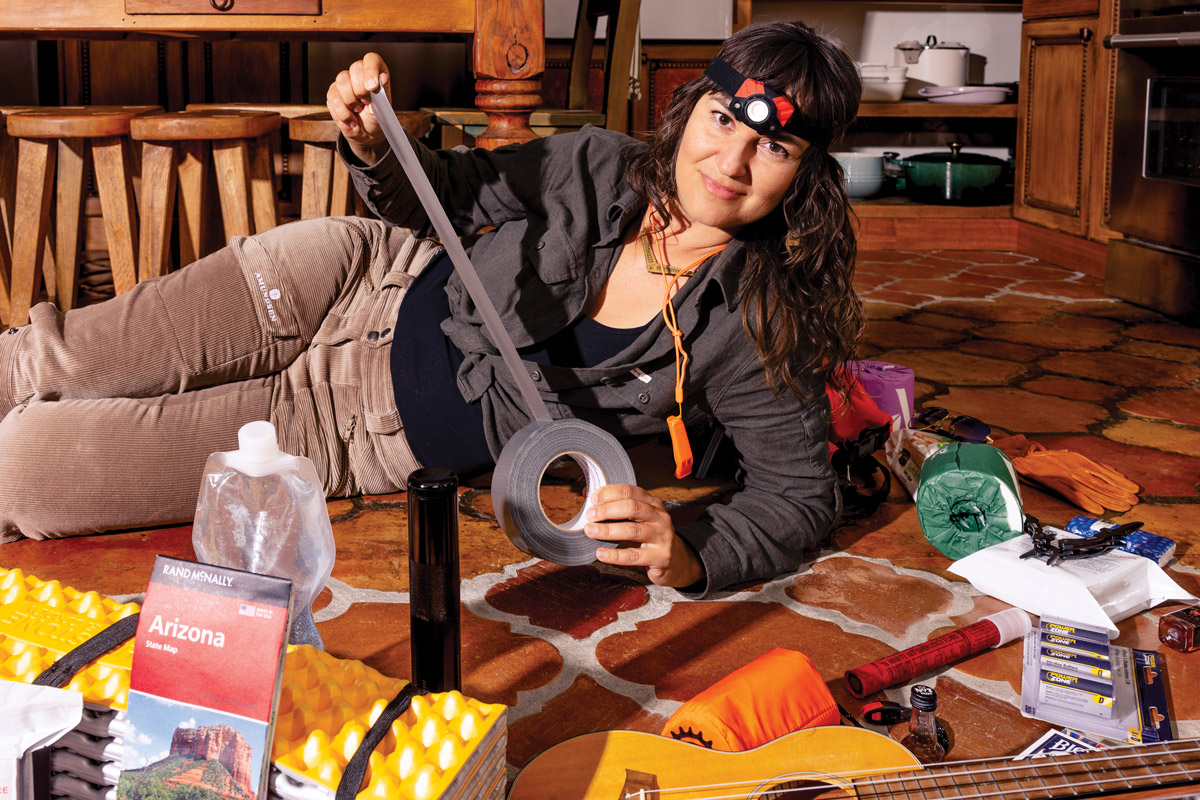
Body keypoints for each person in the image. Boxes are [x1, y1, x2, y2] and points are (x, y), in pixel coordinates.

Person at [0, 20, 863, 597]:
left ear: (806, 175)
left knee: (27, 475)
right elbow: (445, 195)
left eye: (775, 146)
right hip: (346, 281)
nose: (732, 160)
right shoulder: (599, 165)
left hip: (343, 433)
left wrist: (688, 550)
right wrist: (380, 145)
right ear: (692, 109)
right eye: (723, 120)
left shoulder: (757, 324)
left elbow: (795, 500)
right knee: (50, 360)